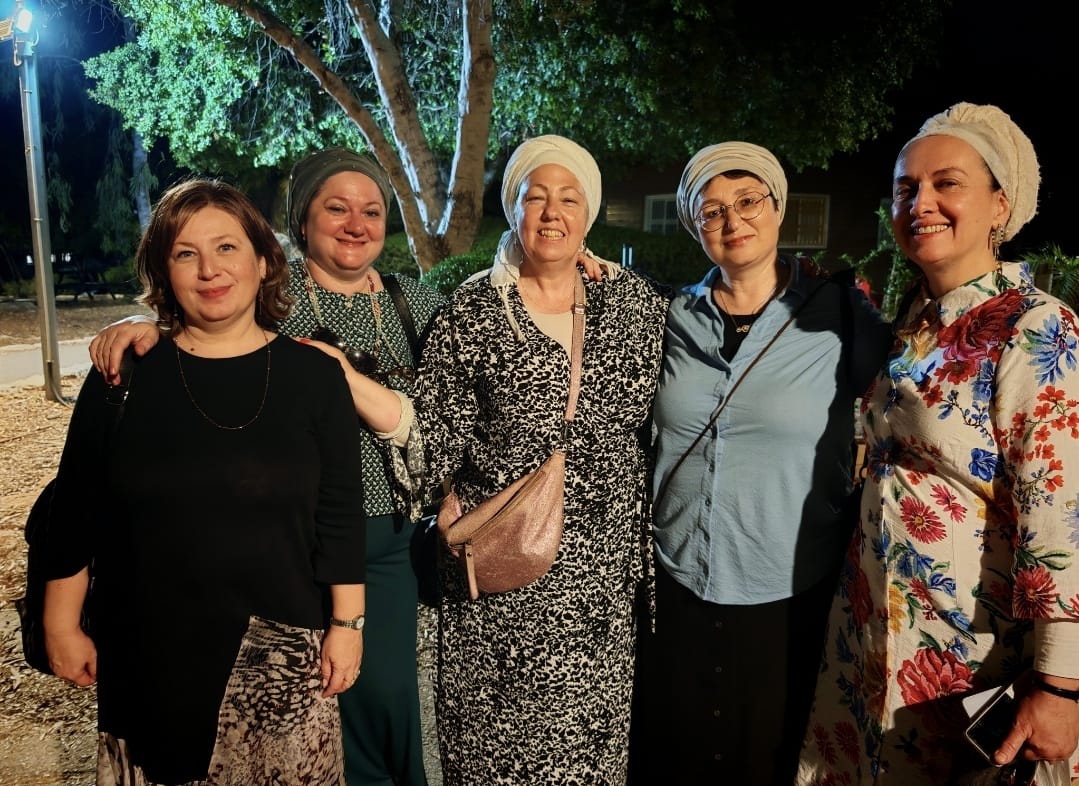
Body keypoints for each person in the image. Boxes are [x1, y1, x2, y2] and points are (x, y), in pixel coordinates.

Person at [89, 149, 445, 786]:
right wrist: (141, 325)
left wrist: (344, 378)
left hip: (383, 536)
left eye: (371, 211)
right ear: (301, 221)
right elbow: (206, 329)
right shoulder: (272, 297)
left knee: (383, 700)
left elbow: (443, 428)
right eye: (336, 208)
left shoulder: (417, 304)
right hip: (282, 545)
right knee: (296, 711)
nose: (355, 224)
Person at [326, 134, 670, 784]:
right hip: (501, 588)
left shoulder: (635, 307)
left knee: (588, 760)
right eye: (534, 197)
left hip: (600, 594)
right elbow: (432, 440)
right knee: (494, 758)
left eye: (569, 199)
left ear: (590, 213)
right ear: (512, 207)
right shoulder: (475, 311)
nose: (551, 212)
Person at [42, 178, 367, 785]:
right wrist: (61, 624)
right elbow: (76, 511)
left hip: (280, 659)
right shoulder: (123, 376)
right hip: (149, 655)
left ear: (263, 261)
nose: (209, 270)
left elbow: (340, 515)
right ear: (165, 274)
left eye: (226, 248)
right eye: (185, 253)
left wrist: (347, 627)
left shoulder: (314, 376)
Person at [796, 103, 1079, 785]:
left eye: (946, 183)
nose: (920, 202)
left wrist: (1060, 684)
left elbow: (1060, 512)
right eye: (905, 188)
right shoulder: (913, 327)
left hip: (970, 659)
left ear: (999, 204)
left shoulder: (1035, 327)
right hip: (871, 640)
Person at [632, 141, 893, 786]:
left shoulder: (839, 315)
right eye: (711, 210)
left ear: (778, 208)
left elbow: (917, 395)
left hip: (789, 583)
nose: (733, 220)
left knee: (771, 754)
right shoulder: (668, 316)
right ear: (694, 227)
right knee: (678, 755)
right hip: (678, 578)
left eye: (748, 201)